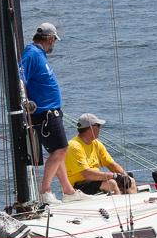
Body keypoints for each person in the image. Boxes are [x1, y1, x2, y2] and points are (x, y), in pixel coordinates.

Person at [20, 22, 76, 205]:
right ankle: (45, 191)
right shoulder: (32, 53)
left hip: (51, 110)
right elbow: (20, 76)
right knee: (61, 149)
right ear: (50, 39)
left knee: (56, 152)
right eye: (54, 41)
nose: (54, 45)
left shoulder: (39, 54)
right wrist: (25, 100)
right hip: (44, 112)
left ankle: (68, 191)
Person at [65, 113, 138, 195]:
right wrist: (114, 176)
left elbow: (111, 164)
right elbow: (87, 174)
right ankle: (120, 206)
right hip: (78, 185)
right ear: (91, 128)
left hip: (94, 181)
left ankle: (134, 205)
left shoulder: (96, 144)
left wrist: (124, 176)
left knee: (131, 180)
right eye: (99, 126)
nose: (100, 129)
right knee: (112, 183)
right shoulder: (74, 146)